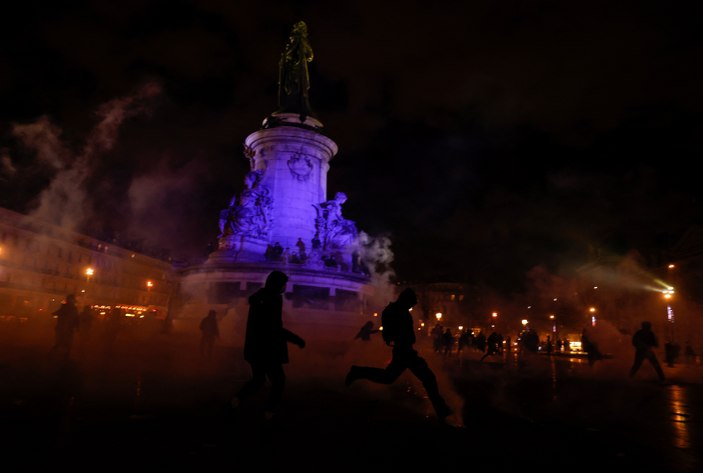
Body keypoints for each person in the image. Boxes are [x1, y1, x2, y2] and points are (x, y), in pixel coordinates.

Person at [344, 288, 452, 422]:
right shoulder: (395, 311)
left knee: (389, 377)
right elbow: (390, 333)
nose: (414, 305)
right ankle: (442, 410)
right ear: (405, 300)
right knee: (427, 377)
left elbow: (390, 333)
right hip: (404, 350)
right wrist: (398, 338)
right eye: (412, 302)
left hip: (405, 349)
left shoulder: (397, 311)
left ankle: (357, 371)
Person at [230, 270, 306, 420]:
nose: (285, 287)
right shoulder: (273, 299)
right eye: (283, 284)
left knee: (258, 380)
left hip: (254, 347)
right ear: (277, 284)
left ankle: (234, 402)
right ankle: (269, 413)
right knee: (278, 381)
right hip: (267, 348)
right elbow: (274, 327)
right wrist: (296, 339)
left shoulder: (260, 297)